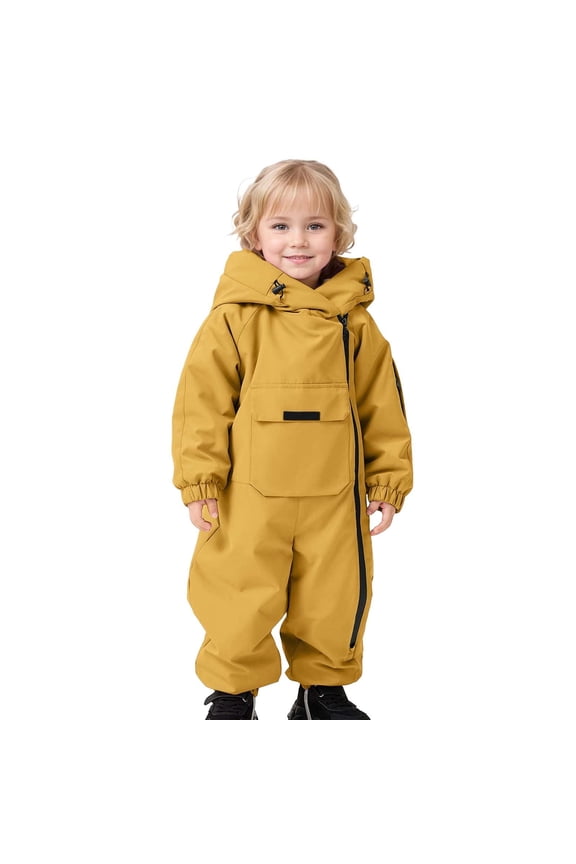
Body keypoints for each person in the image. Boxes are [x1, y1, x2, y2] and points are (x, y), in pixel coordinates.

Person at [172, 159, 413, 720]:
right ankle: (233, 691)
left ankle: (321, 690)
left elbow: (382, 407)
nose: (298, 241)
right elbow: (201, 406)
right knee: (237, 590)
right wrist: (200, 481)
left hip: (336, 496)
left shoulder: (356, 324)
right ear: (253, 234)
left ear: (339, 235)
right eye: (280, 226)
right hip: (248, 495)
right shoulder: (233, 319)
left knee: (334, 594)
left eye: (315, 225)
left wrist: (387, 482)